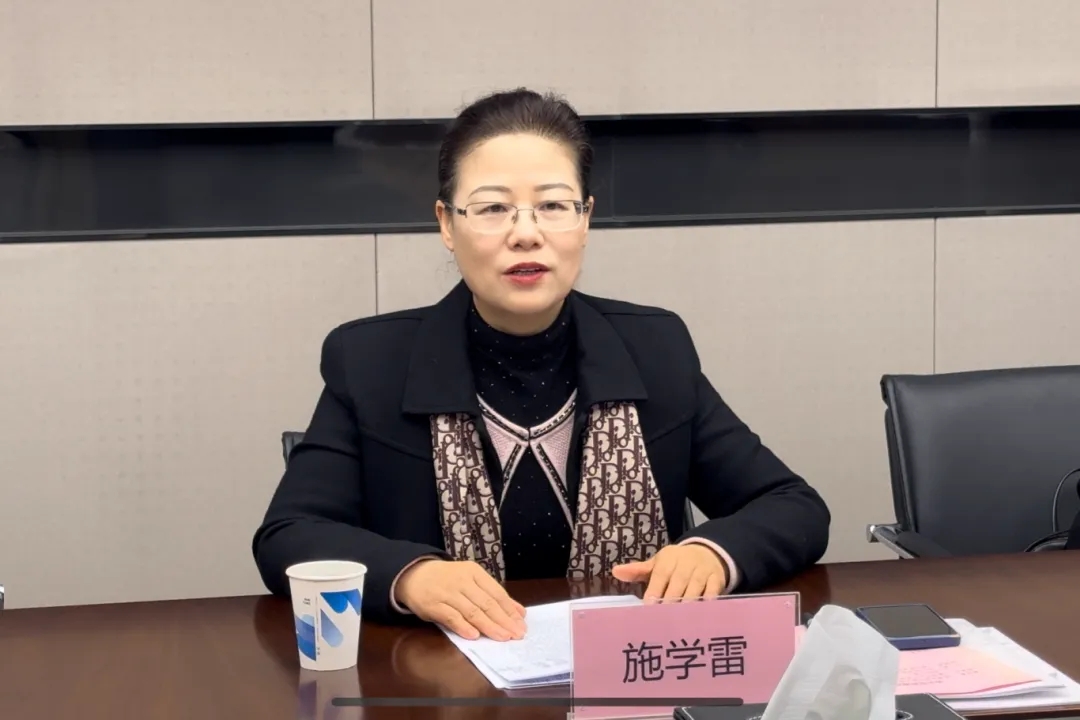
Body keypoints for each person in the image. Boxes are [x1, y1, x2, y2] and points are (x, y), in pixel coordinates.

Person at [252, 88, 831, 642]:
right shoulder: (371, 362)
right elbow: (290, 534)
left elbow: (793, 506)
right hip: (439, 678)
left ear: (585, 218)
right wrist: (409, 577)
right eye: (493, 208)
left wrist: (712, 554)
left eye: (553, 206)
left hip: (629, 673)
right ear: (447, 224)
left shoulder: (654, 348)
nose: (526, 234)